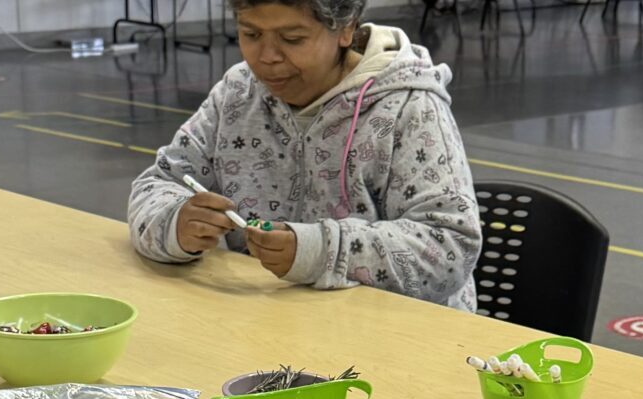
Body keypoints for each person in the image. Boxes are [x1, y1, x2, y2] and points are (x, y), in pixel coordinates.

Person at [127, 0, 482, 311]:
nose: (267, 57)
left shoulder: (410, 107)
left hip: (397, 339)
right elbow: (160, 182)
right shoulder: (238, 94)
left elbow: (450, 244)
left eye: (292, 39)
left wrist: (322, 252)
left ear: (345, 29)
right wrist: (176, 223)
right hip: (265, 324)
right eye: (250, 34)